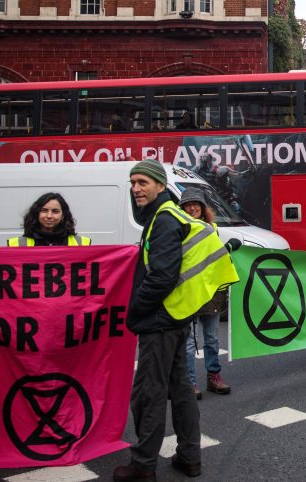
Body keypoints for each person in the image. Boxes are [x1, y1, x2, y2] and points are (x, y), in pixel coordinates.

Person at [114, 159, 201, 481]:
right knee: (180, 392)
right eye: (133, 182)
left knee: (149, 394)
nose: (136, 188)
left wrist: (136, 310)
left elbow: (162, 276)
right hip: (177, 318)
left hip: (160, 321)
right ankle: (189, 456)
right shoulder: (170, 214)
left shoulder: (164, 219)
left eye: (143, 182)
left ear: (161, 186)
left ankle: (143, 465)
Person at [178, 188, 231, 400]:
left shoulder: (213, 229)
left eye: (196, 204)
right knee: (190, 341)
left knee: (212, 338)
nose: (192, 208)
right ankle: (190, 381)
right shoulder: (179, 229)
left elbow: (215, 257)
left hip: (210, 292)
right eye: (188, 205)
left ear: (203, 207)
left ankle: (214, 377)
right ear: (182, 209)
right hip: (190, 291)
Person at [7, 192, 91, 246]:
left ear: (63, 216)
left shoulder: (82, 244)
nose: (49, 216)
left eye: (55, 211)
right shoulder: (16, 244)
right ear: (36, 213)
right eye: (44, 210)